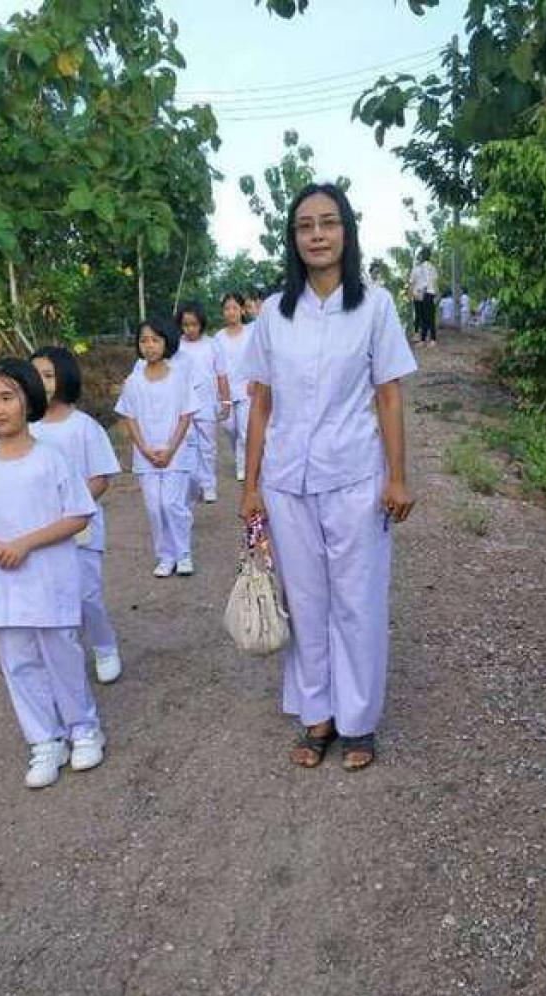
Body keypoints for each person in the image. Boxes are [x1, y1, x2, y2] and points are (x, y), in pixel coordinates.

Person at [240, 182, 417, 772]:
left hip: (355, 478)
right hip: (287, 481)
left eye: (328, 223)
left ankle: (358, 721)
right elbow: (261, 404)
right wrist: (250, 487)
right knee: (307, 603)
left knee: (357, 602)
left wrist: (397, 477)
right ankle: (318, 716)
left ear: (346, 232)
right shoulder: (274, 312)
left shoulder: (375, 306)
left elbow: (388, 395)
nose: (316, 235)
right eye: (304, 226)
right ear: (293, 239)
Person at [0, 358, 105, 789]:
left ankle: (83, 729)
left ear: (29, 400)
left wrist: (25, 544)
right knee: (18, 661)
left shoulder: (51, 459)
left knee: (61, 655)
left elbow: (78, 514)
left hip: (50, 578)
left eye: (7, 398)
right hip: (2, 582)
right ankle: (44, 740)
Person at [29, 345, 123, 684]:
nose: (41, 382)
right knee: (49, 596)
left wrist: (70, 509)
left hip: (80, 528)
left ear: (65, 378)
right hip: (38, 530)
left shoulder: (84, 427)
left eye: (48, 375)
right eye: (35, 375)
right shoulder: (25, 429)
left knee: (86, 595)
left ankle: (104, 646)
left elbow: (100, 478)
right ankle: (61, 656)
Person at [115, 315, 200, 577]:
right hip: (146, 456)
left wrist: (171, 449)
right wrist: (144, 449)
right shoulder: (133, 381)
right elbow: (130, 417)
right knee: (154, 507)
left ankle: (183, 554)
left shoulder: (179, 377)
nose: (149, 346)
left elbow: (186, 415)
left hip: (176, 453)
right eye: (144, 340)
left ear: (167, 343)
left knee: (172, 504)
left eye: (155, 340)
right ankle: (165, 556)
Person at [174, 301, 219, 503]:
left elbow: (222, 373)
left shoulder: (212, 344)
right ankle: (194, 484)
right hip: (184, 404)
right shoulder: (176, 346)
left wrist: (225, 401)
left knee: (207, 446)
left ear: (201, 324)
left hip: (207, 401)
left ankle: (209, 485)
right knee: (188, 444)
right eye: (185, 325)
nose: (190, 329)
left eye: (194, 324)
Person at [213, 292, 253, 482]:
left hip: (247, 388)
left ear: (242, 310)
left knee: (245, 431)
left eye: (235, 308)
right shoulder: (218, 338)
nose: (231, 312)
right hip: (225, 390)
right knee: (230, 428)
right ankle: (238, 453)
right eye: (227, 308)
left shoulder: (251, 332)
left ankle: (242, 466)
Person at [409, 246, 438, 346]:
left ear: (422, 256)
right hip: (430, 293)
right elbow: (434, 282)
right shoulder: (432, 268)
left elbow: (421, 282)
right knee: (430, 317)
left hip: (422, 293)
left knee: (423, 317)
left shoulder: (420, 268)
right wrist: (436, 295)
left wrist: (417, 293)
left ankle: (425, 339)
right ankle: (430, 339)